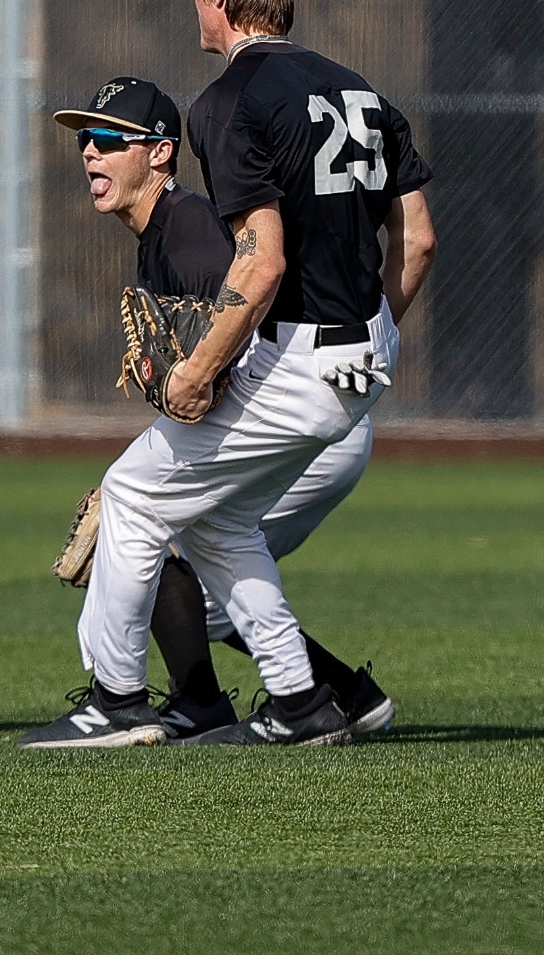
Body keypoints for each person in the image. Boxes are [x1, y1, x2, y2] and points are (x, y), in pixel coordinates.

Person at [19, 0, 436, 749]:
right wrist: (374, 333)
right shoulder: (362, 91)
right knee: (213, 522)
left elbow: (263, 261)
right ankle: (302, 700)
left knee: (135, 496)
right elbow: (418, 237)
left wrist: (198, 369)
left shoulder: (229, 102)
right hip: (362, 350)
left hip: (298, 354)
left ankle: (116, 700)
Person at [51, 75, 396, 743]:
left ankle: (170, 701)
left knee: (162, 531)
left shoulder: (190, 233)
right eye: (84, 142)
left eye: (107, 140)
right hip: (300, 416)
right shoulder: (161, 231)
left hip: (303, 426)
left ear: (160, 153)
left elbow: (253, 319)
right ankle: (333, 696)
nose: (90, 154)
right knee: (197, 550)